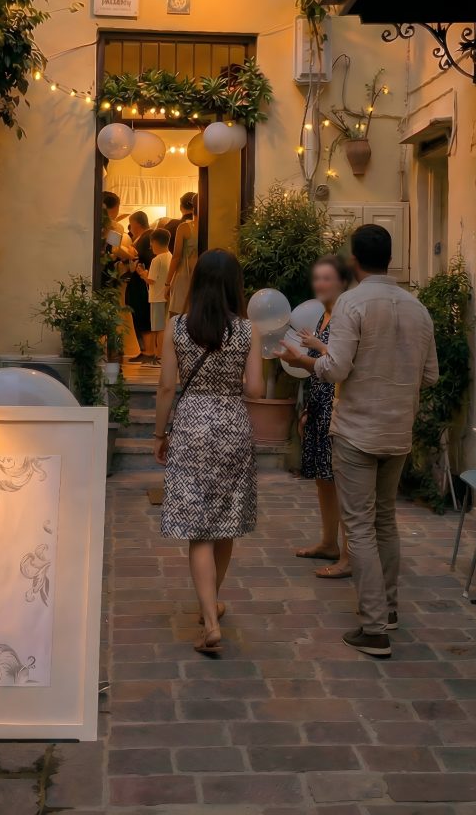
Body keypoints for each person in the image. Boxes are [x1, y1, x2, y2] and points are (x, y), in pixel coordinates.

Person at [280, 225, 438, 659]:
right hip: (398, 431)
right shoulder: (417, 309)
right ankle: (387, 610)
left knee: (361, 525)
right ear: (391, 257)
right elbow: (430, 376)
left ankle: (374, 628)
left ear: (354, 261)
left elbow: (335, 370)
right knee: (385, 520)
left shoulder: (352, 303)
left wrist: (302, 360)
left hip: (356, 431)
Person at [154, 249, 264, 655]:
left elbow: (167, 387)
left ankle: (210, 617)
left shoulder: (176, 327)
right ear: (236, 285)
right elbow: (255, 390)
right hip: (233, 424)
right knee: (226, 520)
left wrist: (158, 433)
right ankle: (211, 604)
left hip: (191, 424)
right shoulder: (247, 330)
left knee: (198, 527)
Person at [294, 254, 353, 579]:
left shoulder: (347, 315)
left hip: (339, 404)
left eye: (327, 278)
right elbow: (316, 367)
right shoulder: (324, 316)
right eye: (317, 278)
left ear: (343, 281)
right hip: (319, 402)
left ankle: (348, 554)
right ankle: (329, 542)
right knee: (323, 479)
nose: (320, 284)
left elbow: (345, 362)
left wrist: (318, 346)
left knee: (343, 482)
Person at [125, 211, 154, 362]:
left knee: (142, 315)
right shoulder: (145, 237)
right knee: (141, 316)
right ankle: (146, 350)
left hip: (142, 283)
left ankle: (149, 351)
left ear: (136, 223)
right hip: (140, 283)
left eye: (132, 224)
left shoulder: (145, 238)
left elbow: (139, 257)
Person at [165, 192, 198, 315]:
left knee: (178, 317)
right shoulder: (210, 227)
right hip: (202, 275)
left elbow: (176, 256)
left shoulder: (185, 227)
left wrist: (167, 283)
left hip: (184, 275)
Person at [145, 228, 172, 363]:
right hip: (167, 296)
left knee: (158, 328)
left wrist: (142, 274)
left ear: (154, 242)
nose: (151, 246)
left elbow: (151, 280)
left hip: (156, 297)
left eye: (151, 243)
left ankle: (159, 355)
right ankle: (161, 354)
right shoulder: (170, 256)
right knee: (164, 326)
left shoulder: (156, 260)